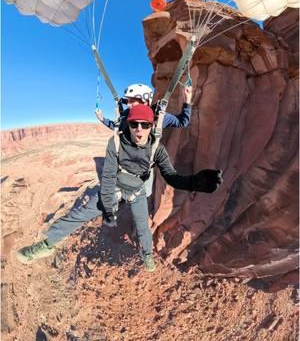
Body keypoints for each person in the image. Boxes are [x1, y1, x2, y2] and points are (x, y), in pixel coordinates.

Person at [16, 105, 223, 272]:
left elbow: (171, 176)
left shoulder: (156, 148)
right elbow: (107, 176)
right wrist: (108, 208)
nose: (139, 129)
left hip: (137, 192)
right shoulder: (116, 143)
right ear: (128, 125)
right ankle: (46, 245)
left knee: (143, 227)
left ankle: (147, 255)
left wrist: (194, 182)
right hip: (115, 188)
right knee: (81, 214)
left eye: (145, 124)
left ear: (152, 125)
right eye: (134, 124)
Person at [95, 83, 193, 131]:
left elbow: (182, 123)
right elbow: (117, 126)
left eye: (132, 101)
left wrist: (187, 100)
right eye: (127, 101)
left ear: (145, 102)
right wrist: (102, 119)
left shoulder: (158, 116)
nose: (128, 105)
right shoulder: (127, 114)